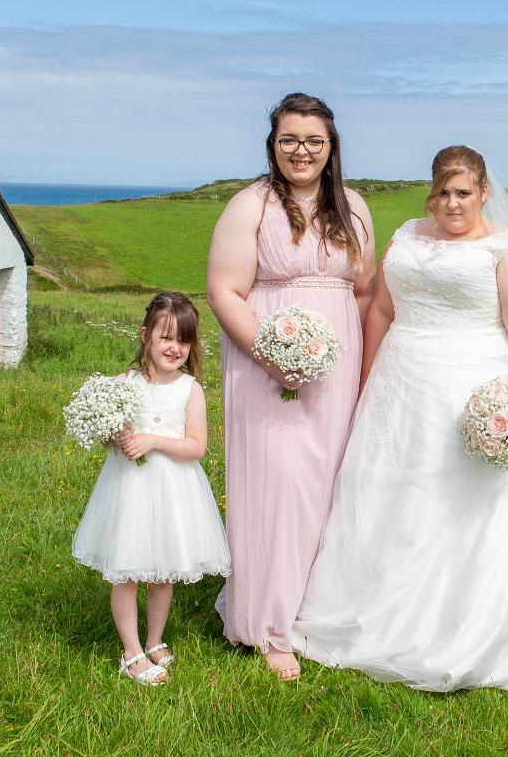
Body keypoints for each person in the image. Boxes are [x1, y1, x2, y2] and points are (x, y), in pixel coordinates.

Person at [292, 145, 508, 691]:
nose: (452, 203)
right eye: (443, 192)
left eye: (463, 193)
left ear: (484, 192)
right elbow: (381, 309)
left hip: (472, 385)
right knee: (389, 491)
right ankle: (372, 607)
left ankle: (461, 626)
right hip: (399, 382)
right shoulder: (407, 235)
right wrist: (364, 382)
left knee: (457, 499)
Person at [206, 93, 376, 680]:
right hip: (266, 362)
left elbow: (363, 292)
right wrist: (272, 356)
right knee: (278, 484)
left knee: (325, 485)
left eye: (313, 141)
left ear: (331, 148)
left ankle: (313, 610)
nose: (301, 151)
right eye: (289, 140)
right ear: (272, 145)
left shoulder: (353, 207)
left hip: (338, 364)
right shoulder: (249, 204)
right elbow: (224, 290)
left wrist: (360, 366)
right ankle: (269, 625)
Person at [72, 291, 231, 685]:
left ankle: (155, 639)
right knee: (127, 571)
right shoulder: (125, 383)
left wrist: (154, 441)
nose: (175, 348)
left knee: (163, 572)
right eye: (166, 337)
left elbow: (196, 446)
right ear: (145, 336)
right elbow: (110, 433)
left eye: (184, 340)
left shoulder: (190, 389)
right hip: (131, 491)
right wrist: (116, 437)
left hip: (174, 490)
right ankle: (131, 651)